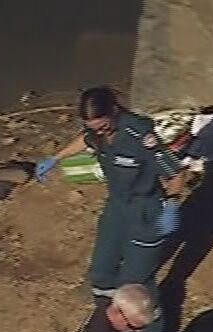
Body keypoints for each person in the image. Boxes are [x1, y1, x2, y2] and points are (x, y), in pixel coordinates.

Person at [35, 87, 188, 302]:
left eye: (103, 126)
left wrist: (171, 205)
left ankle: (150, 329)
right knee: (101, 271)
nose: (100, 132)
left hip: (145, 210)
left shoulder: (140, 135)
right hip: (117, 205)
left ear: (114, 111)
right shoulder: (97, 134)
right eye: (93, 128)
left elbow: (176, 173)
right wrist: (55, 158)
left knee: (135, 281)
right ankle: (106, 311)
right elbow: (86, 139)